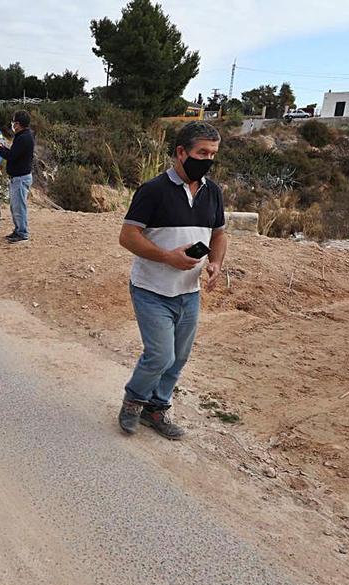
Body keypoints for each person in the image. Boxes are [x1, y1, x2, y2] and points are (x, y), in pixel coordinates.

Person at [116, 121, 227, 440]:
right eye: (201, 153)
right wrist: (168, 257)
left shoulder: (213, 192)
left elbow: (219, 234)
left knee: (178, 358)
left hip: (189, 292)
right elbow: (127, 236)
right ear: (181, 152)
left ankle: (157, 409)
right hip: (151, 290)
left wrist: (216, 263)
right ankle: (132, 402)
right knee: (160, 355)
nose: (207, 160)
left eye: (213, 154)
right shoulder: (152, 191)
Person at [0, 110, 35, 243]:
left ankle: (22, 233)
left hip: (21, 178)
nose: (12, 125)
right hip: (17, 178)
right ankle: (18, 230)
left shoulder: (24, 138)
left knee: (19, 207)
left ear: (17, 124)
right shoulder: (23, 136)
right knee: (15, 207)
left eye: (14, 122)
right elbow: (14, 153)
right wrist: (2, 147)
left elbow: (11, 156)